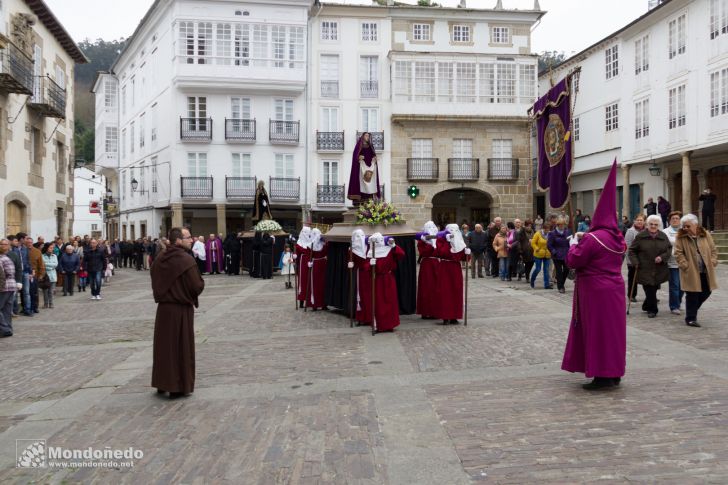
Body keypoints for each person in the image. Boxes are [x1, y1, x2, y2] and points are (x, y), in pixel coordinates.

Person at [562, 160, 628, 390]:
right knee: (613, 332)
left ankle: (602, 375)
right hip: (615, 287)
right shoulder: (617, 238)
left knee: (598, 332)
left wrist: (573, 245)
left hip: (594, 290)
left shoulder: (592, 238)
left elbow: (574, 260)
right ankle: (614, 371)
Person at [151, 227, 205, 398]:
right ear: (179, 240)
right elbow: (196, 285)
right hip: (180, 309)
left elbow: (155, 278)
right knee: (180, 347)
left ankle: (162, 383)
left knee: (164, 347)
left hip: (164, 310)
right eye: (189, 237)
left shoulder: (160, 258)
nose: (192, 240)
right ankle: (177, 386)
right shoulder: (185, 260)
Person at [674, 214, 719, 327]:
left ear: (695, 224)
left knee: (707, 291)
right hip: (691, 271)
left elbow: (713, 249)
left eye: (688, 226)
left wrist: (713, 261)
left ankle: (691, 310)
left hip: (705, 270)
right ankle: (691, 318)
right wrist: (685, 265)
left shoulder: (705, 234)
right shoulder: (681, 237)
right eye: (684, 226)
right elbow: (678, 253)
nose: (685, 229)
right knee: (692, 294)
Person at [628, 215, 671, 318]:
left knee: (654, 287)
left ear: (659, 225)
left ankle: (646, 305)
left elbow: (669, 249)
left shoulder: (663, 236)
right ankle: (653, 310)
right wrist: (635, 262)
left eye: (655, 224)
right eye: (651, 224)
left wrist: (662, 257)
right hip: (644, 267)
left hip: (659, 268)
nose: (653, 226)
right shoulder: (641, 236)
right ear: (647, 224)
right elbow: (632, 250)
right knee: (649, 288)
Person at [367, 233, 406, 330]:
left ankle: (390, 324)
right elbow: (367, 267)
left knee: (390, 301)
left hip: (388, 278)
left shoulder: (389, 249)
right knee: (379, 302)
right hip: (378, 279)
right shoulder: (371, 252)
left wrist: (393, 246)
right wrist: (370, 264)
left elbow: (401, 254)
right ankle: (379, 325)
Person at [435, 224, 470, 324]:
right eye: (451, 230)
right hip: (444, 268)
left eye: (455, 230)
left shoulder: (460, 241)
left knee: (456, 291)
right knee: (445, 291)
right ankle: (445, 316)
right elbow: (441, 253)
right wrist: (447, 242)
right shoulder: (441, 240)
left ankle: (455, 315)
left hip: (455, 268)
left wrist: (467, 253)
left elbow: (463, 257)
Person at [347, 132, 381, 202]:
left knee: (369, 181)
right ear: (363, 137)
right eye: (366, 135)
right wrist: (359, 157)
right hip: (360, 168)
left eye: (368, 136)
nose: (367, 137)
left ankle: (368, 197)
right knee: (361, 181)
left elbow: (373, 154)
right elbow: (355, 155)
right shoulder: (359, 145)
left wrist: (374, 158)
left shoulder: (371, 146)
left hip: (369, 167)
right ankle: (359, 198)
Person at [417, 221, 440, 319]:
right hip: (427, 264)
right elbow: (423, 252)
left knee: (436, 287)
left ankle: (436, 311)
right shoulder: (422, 240)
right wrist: (429, 243)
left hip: (436, 264)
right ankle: (425, 311)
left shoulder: (438, 238)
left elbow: (440, 250)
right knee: (426, 287)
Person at [662, 211, 684, 315]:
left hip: (684, 263)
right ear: (669, 221)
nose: (675, 220)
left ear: (680, 220)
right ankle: (674, 306)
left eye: (677, 218)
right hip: (672, 262)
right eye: (673, 219)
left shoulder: (684, 231)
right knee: (674, 285)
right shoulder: (665, 232)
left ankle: (678, 302)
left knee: (683, 286)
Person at [350, 229, 373, 325]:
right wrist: (350, 263)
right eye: (358, 236)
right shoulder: (352, 249)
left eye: (362, 236)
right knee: (361, 295)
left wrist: (369, 264)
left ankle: (370, 317)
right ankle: (361, 317)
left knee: (369, 295)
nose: (360, 239)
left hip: (369, 273)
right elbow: (352, 261)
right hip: (360, 274)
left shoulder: (369, 247)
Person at [624, 214, 645, 302]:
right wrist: (630, 261)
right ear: (634, 221)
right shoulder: (630, 231)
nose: (640, 222)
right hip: (633, 259)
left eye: (641, 220)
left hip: (644, 259)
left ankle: (650, 295)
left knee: (646, 278)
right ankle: (632, 294)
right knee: (633, 278)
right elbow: (628, 247)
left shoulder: (646, 231)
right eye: (638, 220)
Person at [547, 217, 571, 294]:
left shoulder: (567, 232)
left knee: (567, 269)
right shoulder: (552, 233)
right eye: (561, 225)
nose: (562, 226)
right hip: (556, 255)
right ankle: (560, 287)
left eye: (563, 225)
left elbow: (570, 242)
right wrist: (554, 251)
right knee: (559, 271)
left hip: (566, 253)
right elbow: (549, 245)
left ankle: (561, 283)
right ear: (558, 225)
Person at [305, 229, 327, 309]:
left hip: (323, 264)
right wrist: (309, 262)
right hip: (315, 265)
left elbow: (327, 252)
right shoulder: (310, 245)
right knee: (315, 284)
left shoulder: (324, 244)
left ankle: (324, 303)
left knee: (323, 284)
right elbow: (308, 255)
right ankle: (314, 303)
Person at [0, 239, 17, 337]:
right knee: (6, 309)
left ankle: (5, 329)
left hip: (4, 286)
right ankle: (8, 329)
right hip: (11, 285)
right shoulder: (6, 258)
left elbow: (1, 275)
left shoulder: (1, 259)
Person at [295, 226, 314, 308]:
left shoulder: (312, 242)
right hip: (302, 263)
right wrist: (294, 256)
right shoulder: (299, 244)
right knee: (303, 281)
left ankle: (310, 300)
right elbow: (296, 254)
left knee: (310, 280)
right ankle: (302, 301)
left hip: (310, 262)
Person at [530, 222, 552, 289]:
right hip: (538, 253)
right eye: (546, 229)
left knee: (546, 270)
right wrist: (536, 248)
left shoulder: (550, 234)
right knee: (538, 269)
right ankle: (532, 280)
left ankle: (546, 285)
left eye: (548, 229)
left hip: (547, 254)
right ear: (543, 228)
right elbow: (533, 243)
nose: (547, 231)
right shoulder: (538, 234)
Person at [41, 243, 58, 308]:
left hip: (53, 276)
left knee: (51, 291)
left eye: (52, 248)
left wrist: (47, 265)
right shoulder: (42, 256)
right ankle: (45, 303)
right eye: (50, 248)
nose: (52, 249)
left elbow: (56, 264)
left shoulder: (54, 256)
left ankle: (51, 303)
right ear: (46, 248)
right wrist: (51, 266)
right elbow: (43, 264)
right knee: (45, 291)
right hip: (45, 276)